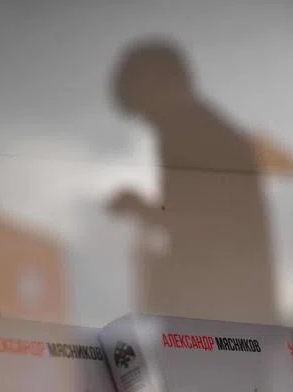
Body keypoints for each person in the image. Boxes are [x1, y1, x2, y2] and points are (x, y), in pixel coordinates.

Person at [109, 40, 278, 324]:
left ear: (163, 85)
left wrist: (142, 210)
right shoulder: (200, 132)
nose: (149, 121)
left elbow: (207, 219)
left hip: (221, 322)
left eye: (146, 106)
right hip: (223, 322)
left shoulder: (195, 133)